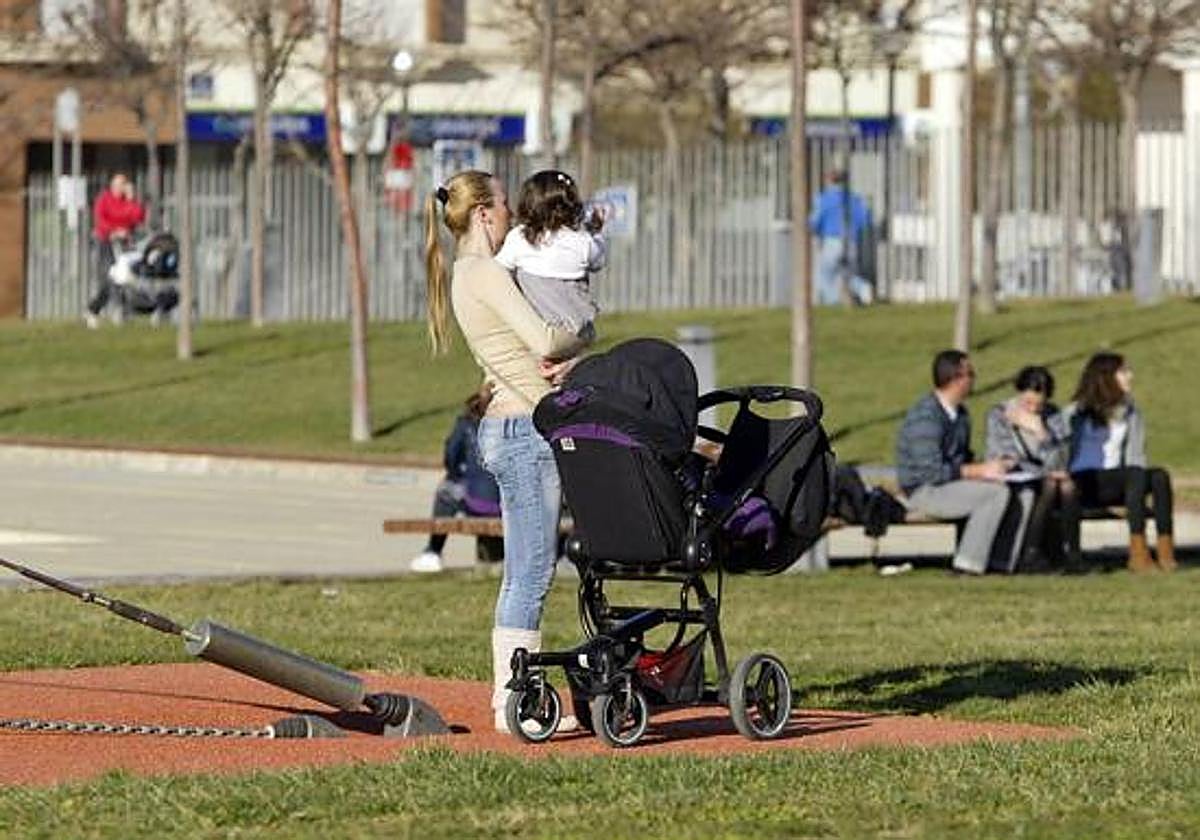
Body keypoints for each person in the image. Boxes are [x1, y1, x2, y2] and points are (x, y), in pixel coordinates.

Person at [424, 170, 586, 733]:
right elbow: (545, 338)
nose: (516, 215)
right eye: (506, 205)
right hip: (524, 430)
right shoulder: (486, 272)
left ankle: (511, 696)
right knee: (531, 572)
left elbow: (513, 352)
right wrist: (587, 331)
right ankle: (515, 700)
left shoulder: (466, 274)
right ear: (485, 214)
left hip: (508, 424)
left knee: (523, 570)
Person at [896, 350, 1013, 575]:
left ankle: (1003, 562)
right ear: (955, 379)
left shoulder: (960, 414)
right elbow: (929, 473)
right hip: (922, 492)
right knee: (995, 494)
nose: (974, 378)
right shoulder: (926, 417)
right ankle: (967, 565)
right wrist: (978, 471)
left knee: (1014, 490)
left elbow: (962, 459)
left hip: (947, 486)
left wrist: (995, 466)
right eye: (971, 373)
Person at [1061, 352, 1175, 572]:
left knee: (1159, 475)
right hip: (1085, 481)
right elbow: (1061, 448)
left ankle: (1165, 550)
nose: (1130, 376)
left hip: (1123, 480)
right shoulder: (1076, 412)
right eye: (1124, 372)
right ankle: (1138, 553)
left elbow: (1136, 455)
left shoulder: (1131, 412)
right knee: (1134, 473)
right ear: (1106, 377)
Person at [494, 169, 604, 343]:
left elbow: (499, 269)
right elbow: (598, 262)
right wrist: (596, 231)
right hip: (576, 329)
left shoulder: (519, 237)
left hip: (535, 327)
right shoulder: (583, 242)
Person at [984, 366, 1077, 572]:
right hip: (1015, 476)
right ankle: (1031, 553)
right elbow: (1005, 456)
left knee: (1066, 485)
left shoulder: (1053, 416)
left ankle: (1070, 552)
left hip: (1046, 479)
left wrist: (1041, 432)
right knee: (1051, 483)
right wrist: (1043, 469)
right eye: (1028, 403)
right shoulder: (999, 415)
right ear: (1019, 395)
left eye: (1039, 404)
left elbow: (1062, 461)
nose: (1034, 409)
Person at [409, 387, 502, 574]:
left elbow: (451, 456)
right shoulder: (514, 425)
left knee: (446, 489)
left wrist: (457, 474)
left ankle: (433, 551)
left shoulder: (466, 424)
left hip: (478, 504)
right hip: (508, 505)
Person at [86, 173, 146, 329]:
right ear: (112, 186)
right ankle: (94, 309)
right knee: (110, 277)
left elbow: (138, 217)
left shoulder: (128, 201)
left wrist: (132, 199)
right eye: (118, 185)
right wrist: (114, 231)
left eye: (124, 185)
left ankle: (122, 311)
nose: (121, 188)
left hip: (124, 243)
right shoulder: (104, 199)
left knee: (124, 277)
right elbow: (100, 220)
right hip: (105, 241)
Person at [809, 167, 873, 306]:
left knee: (825, 275)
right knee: (848, 274)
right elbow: (866, 219)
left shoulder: (823, 199)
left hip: (831, 241)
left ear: (828, 181)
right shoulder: (855, 199)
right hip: (851, 241)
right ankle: (862, 287)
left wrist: (814, 230)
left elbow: (815, 222)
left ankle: (833, 302)